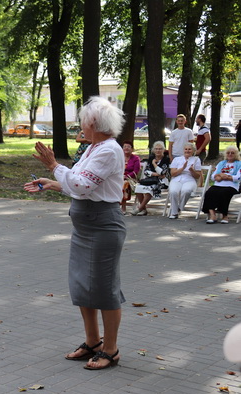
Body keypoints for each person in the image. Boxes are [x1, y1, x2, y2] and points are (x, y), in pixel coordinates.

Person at [25, 96, 126, 370]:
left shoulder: (109, 150)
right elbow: (80, 186)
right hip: (86, 227)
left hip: (103, 227)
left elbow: (81, 187)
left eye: (82, 119)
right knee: (83, 285)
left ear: (93, 122)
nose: (80, 124)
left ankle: (111, 349)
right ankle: (93, 342)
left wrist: (53, 166)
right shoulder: (94, 148)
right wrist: (52, 184)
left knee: (104, 289)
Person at [201, 145, 241, 224]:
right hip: (218, 184)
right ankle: (212, 215)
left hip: (231, 185)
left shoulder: (239, 164)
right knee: (209, 192)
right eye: (228, 153)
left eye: (232, 153)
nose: (230, 154)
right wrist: (219, 176)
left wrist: (225, 177)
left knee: (224, 193)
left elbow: (238, 177)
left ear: (236, 154)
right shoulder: (221, 163)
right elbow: (213, 176)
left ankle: (224, 215)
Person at [132, 141, 170, 216]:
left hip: (162, 182)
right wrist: (155, 174)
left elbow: (162, 172)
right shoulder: (151, 158)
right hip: (150, 180)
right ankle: (144, 209)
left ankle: (140, 208)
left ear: (163, 150)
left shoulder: (166, 159)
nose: (158, 151)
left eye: (160, 149)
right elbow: (146, 171)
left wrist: (154, 164)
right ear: (153, 150)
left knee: (150, 189)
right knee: (138, 188)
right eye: (156, 149)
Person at [167, 142, 202, 219]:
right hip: (177, 178)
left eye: (189, 149)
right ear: (183, 150)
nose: (187, 151)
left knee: (186, 191)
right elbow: (172, 173)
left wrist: (192, 170)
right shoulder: (177, 159)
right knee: (173, 191)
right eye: (186, 149)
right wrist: (182, 168)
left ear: (193, 151)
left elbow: (197, 176)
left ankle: (179, 207)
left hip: (190, 179)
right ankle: (174, 213)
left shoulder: (196, 160)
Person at [120, 140, 140, 213]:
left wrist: (126, 176)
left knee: (124, 184)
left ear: (132, 149)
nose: (126, 148)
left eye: (128, 147)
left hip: (131, 179)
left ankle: (123, 207)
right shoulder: (120, 157)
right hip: (119, 177)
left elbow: (136, 171)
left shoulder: (135, 158)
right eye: (124, 147)